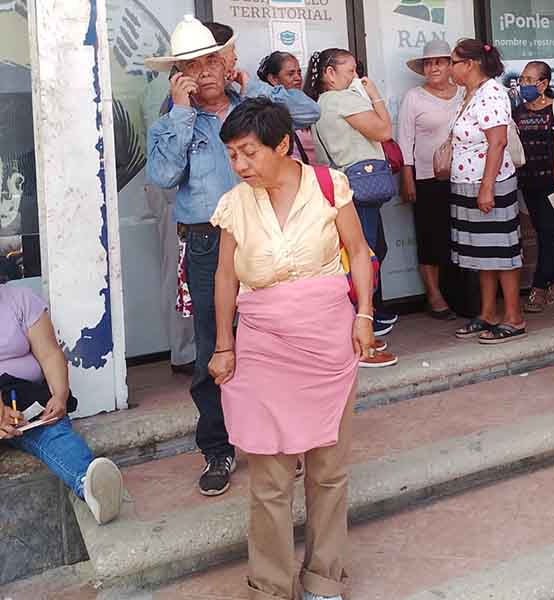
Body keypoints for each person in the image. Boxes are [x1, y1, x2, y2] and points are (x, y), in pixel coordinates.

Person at [145, 15, 320, 496]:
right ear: (177, 77)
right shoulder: (170, 123)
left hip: (266, 234)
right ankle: (217, 447)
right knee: (213, 348)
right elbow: (163, 176)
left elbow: (306, 114)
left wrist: (257, 87)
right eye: (190, 67)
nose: (203, 73)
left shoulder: (253, 107)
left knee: (274, 343)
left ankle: (281, 438)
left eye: (210, 61)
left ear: (225, 63)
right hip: (207, 241)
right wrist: (182, 113)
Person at [207, 97, 372, 600]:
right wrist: (224, 345)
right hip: (263, 347)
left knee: (328, 471)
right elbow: (225, 277)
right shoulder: (235, 204)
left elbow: (359, 252)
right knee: (270, 478)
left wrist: (364, 315)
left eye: (249, 152)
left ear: (281, 145)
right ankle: (271, 587)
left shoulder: (328, 185)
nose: (240, 165)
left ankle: (324, 578)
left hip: (329, 342)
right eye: (232, 155)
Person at [0, 283, 123, 526]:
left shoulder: (19, 298)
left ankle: (90, 485)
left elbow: (49, 353)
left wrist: (59, 396)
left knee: (53, 431)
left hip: (21, 400)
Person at [304, 48, 398, 365]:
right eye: (350, 71)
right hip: (359, 190)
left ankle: (362, 328)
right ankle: (361, 337)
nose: (355, 77)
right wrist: (374, 95)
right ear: (330, 74)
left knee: (365, 253)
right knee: (364, 258)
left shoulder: (320, 103)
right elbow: (384, 131)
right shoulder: (340, 99)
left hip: (344, 188)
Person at [447, 39, 525, 344]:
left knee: (501, 252)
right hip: (468, 182)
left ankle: (514, 317)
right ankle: (488, 313)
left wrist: (487, 187)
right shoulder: (469, 94)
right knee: (483, 254)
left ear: (470, 64)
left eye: (453, 62)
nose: (450, 68)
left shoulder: (491, 92)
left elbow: (498, 142)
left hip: (489, 183)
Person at [397, 39, 463, 320]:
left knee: (458, 236)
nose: (433, 68)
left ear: (450, 66)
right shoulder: (414, 97)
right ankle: (434, 296)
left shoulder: (465, 93)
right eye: (428, 63)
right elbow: (405, 140)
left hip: (463, 177)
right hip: (426, 178)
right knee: (430, 236)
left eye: (439, 62)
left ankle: (461, 294)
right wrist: (407, 177)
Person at [513, 60, 554, 313]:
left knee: (547, 232)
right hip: (528, 184)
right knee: (544, 233)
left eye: (528, 80)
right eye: (522, 79)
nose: (523, 84)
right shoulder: (518, 112)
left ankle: (539, 287)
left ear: (543, 84)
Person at [258, 51, 317, 165]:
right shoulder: (268, 110)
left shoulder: (303, 103)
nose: (298, 78)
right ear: (273, 79)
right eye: (290, 74)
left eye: (299, 72)